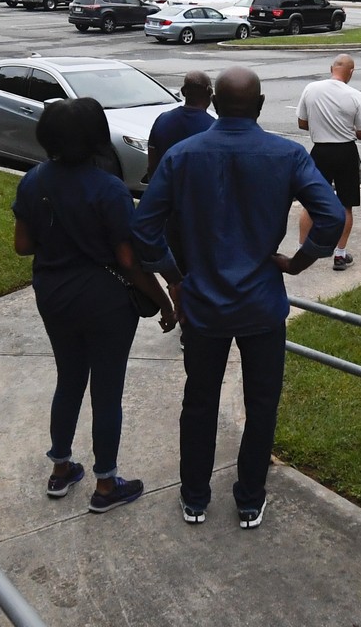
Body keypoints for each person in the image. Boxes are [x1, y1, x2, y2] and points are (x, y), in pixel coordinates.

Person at [133, 67, 344, 529]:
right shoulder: (286, 155)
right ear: (262, 105)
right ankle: (249, 498)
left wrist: (176, 278)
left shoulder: (183, 155)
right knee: (262, 402)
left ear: (214, 103)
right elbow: (331, 214)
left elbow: (144, 227)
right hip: (262, 304)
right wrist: (298, 261)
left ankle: (194, 496)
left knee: (199, 401)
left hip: (204, 304)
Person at [12, 98, 177, 514]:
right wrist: (165, 302)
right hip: (105, 301)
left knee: (68, 379)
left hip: (53, 296)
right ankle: (106, 484)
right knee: (107, 391)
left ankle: (61, 468)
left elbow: (22, 245)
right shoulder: (110, 189)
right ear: (95, 137)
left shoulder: (32, 181)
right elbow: (127, 261)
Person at [297, 55, 361, 271]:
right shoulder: (356, 96)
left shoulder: (311, 89)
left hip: (320, 150)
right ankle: (339, 254)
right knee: (346, 203)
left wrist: (321, 126)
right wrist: (347, 128)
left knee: (311, 201)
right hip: (346, 151)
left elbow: (302, 123)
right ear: (351, 72)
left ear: (331, 68)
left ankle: (303, 248)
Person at [145, 70, 215, 182]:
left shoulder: (161, 120)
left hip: (166, 190)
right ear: (209, 92)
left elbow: (152, 165)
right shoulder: (213, 127)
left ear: (183, 91)